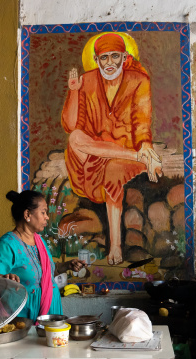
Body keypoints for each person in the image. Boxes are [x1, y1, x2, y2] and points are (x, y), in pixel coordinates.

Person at [61, 33, 163, 266]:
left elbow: (142, 121)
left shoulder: (139, 81)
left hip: (124, 153)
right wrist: (74, 91)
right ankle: (134, 156)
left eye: (114, 57)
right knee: (75, 137)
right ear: (96, 60)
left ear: (124, 57)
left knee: (114, 170)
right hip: (92, 155)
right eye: (104, 58)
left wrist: (145, 147)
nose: (109, 63)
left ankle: (115, 245)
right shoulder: (86, 82)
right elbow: (71, 125)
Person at [0, 190, 86, 322]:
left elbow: (45, 274)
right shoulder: (8, 244)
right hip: (26, 319)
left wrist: (67, 265)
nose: (47, 217)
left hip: (51, 313)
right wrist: (2, 277)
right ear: (27, 214)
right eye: (43, 212)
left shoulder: (40, 241)